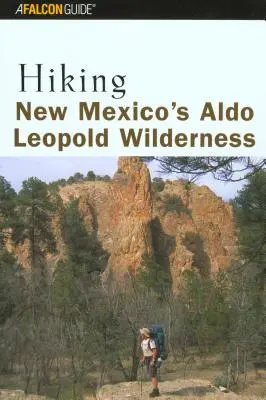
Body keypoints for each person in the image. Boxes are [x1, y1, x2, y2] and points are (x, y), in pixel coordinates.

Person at [139, 327, 160, 397]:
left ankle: (155, 391)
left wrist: (153, 360)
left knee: (152, 375)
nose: (141, 335)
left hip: (151, 358)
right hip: (147, 359)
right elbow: (145, 352)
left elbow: (154, 351)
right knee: (150, 374)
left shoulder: (151, 341)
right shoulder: (142, 342)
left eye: (142, 334)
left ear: (145, 334)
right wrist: (143, 359)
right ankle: (156, 390)